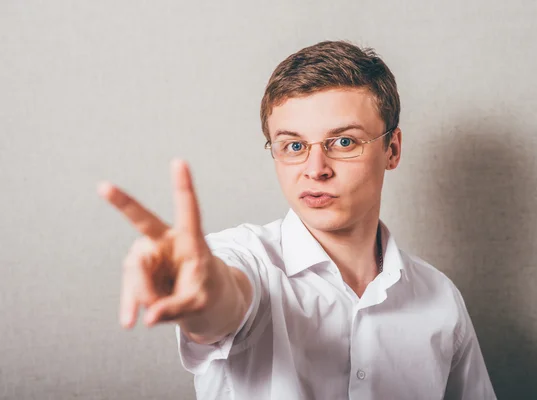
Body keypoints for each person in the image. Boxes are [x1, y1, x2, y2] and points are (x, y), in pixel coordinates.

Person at [97, 40, 496, 399]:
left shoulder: (441, 300)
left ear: (392, 149)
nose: (315, 168)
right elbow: (225, 300)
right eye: (293, 145)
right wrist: (202, 291)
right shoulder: (244, 258)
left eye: (343, 142)